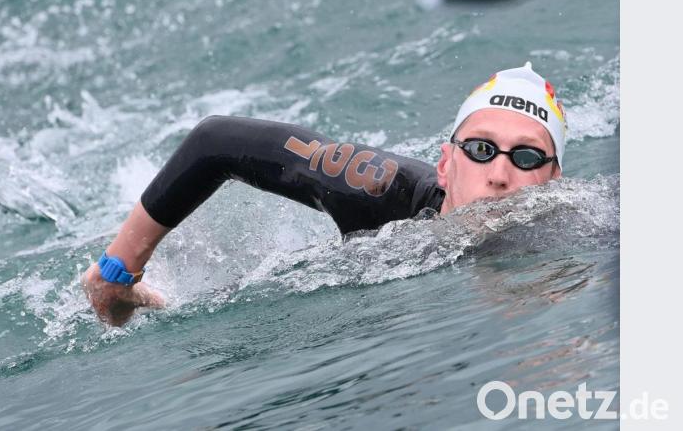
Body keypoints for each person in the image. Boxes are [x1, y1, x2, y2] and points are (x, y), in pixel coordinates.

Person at [82, 62, 568, 326]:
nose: (500, 173)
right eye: (481, 149)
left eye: (526, 157)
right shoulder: (381, 188)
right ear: (445, 164)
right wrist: (117, 270)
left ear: (555, 180)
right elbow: (217, 141)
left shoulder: (580, 225)